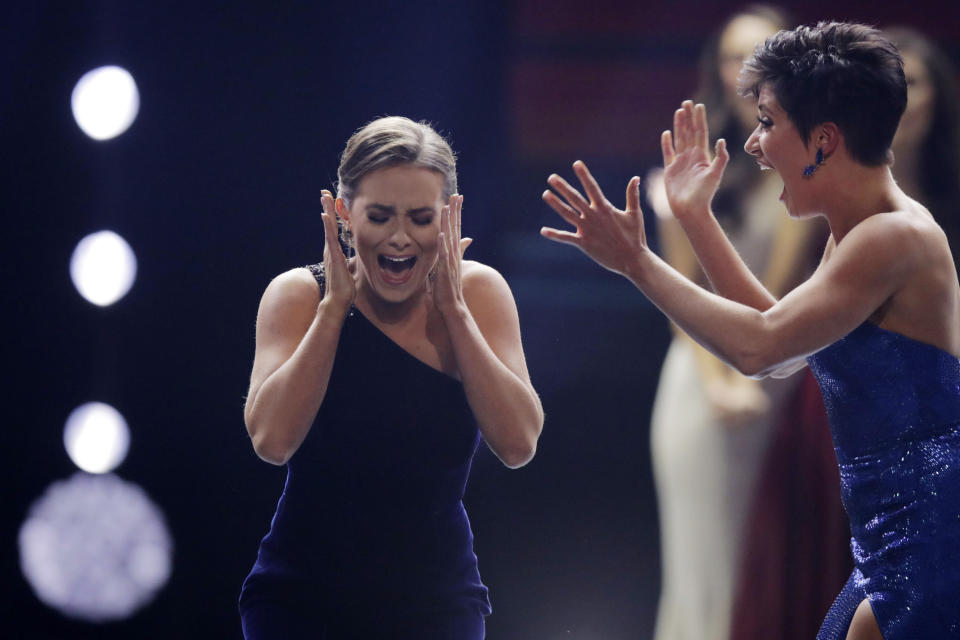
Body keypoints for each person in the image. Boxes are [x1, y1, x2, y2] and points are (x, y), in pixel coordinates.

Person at [541, 21, 960, 639]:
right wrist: (695, 218)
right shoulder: (863, 229)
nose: (755, 146)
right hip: (891, 542)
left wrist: (636, 261)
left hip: (927, 540)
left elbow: (757, 346)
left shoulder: (892, 236)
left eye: (767, 123)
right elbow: (782, 349)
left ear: (823, 140)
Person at [238, 116, 544, 639]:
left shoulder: (479, 295)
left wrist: (457, 315)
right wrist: (334, 308)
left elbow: (518, 445)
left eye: (421, 219)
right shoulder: (297, 296)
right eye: (379, 216)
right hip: (300, 599)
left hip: (437, 602)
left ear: (450, 216)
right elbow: (271, 440)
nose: (400, 238)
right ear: (342, 214)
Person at [642, 7, 825, 640]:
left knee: (773, 558)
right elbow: (682, 292)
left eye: (760, 56)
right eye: (731, 56)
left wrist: (752, 372)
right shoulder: (681, 165)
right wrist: (718, 380)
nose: (743, 72)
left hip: (781, 370)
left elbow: (772, 296)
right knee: (700, 562)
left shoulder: (810, 165)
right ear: (714, 68)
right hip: (698, 370)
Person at [885, 26, 960, 274]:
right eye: (883, 83)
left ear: (937, 96)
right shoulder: (827, 195)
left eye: (910, 83)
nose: (896, 98)